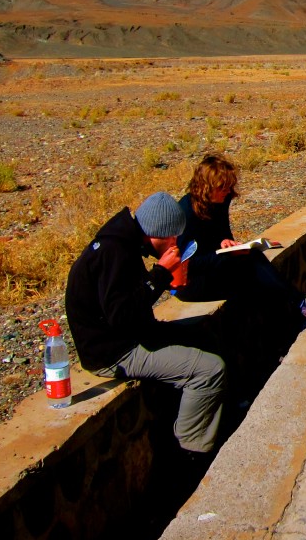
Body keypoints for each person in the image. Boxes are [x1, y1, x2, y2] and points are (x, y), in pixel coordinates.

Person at [64, 192, 226, 456]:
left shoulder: (123, 242)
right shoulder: (113, 253)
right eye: (172, 237)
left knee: (204, 337)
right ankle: (192, 450)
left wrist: (167, 278)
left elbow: (131, 302)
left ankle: (199, 420)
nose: (175, 242)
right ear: (157, 234)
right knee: (210, 370)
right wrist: (161, 273)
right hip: (113, 352)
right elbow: (122, 316)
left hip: (129, 334)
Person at [176, 153, 306, 324]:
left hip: (214, 264)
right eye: (223, 187)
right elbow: (185, 265)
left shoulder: (221, 199)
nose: (228, 191)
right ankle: (301, 309)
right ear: (207, 187)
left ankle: (299, 313)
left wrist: (226, 243)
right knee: (253, 278)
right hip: (190, 283)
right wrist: (223, 254)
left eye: (230, 186)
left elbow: (222, 234)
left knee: (253, 262)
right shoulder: (186, 212)